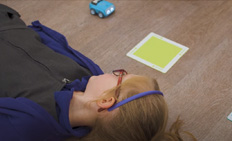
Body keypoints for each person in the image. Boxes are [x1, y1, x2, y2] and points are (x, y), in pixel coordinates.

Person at [0, 4, 196, 141]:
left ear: (105, 101)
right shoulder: (89, 76)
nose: (114, 72)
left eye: (120, 76)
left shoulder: (29, 124)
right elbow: (54, 44)